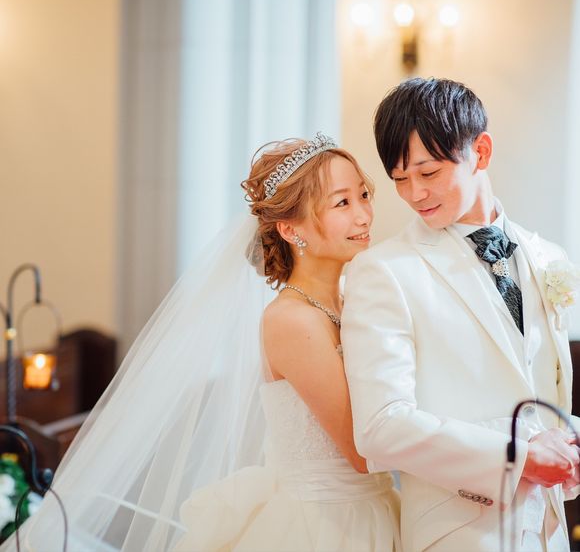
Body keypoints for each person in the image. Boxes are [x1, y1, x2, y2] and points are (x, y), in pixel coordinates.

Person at [3, 133, 399, 552]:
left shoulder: (349, 301)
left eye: (363, 195)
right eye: (342, 203)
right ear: (289, 228)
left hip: (372, 508)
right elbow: (362, 453)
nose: (364, 215)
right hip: (327, 527)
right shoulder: (292, 320)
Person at [341, 77, 580, 551]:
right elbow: (380, 427)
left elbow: (541, 392)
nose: (414, 194)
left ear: (481, 152)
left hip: (549, 530)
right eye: (400, 179)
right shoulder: (383, 272)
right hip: (460, 533)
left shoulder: (547, 256)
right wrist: (518, 455)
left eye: (428, 173)